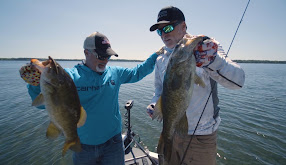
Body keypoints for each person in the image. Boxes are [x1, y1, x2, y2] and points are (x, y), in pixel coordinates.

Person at [22, 31, 160, 165]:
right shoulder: (69, 77)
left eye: (108, 56)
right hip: (83, 146)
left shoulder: (115, 73)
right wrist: (35, 84)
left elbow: (138, 72)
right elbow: (42, 104)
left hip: (113, 143)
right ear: (86, 52)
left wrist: (156, 55)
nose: (105, 60)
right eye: (101, 55)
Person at [146, 6, 245, 165]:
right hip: (171, 130)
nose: (164, 34)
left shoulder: (207, 47)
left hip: (201, 137)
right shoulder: (161, 59)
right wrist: (154, 103)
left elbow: (239, 82)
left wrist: (214, 61)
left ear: (183, 27)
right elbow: (160, 90)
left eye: (169, 27)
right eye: (160, 31)